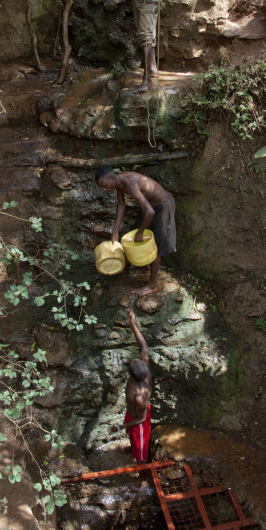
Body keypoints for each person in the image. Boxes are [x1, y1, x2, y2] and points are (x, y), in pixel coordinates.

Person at [95, 165, 176, 297]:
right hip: (151, 207)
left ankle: (152, 285)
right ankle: (145, 266)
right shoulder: (119, 181)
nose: (104, 189)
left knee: (157, 247)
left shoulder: (129, 183)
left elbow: (149, 212)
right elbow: (121, 205)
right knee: (133, 233)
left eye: (104, 185)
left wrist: (140, 232)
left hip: (163, 205)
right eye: (101, 187)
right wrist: (115, 231)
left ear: (111, 178)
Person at [111, 308, 152, 463]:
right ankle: (133, 447)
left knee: (141, 450)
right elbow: (144, 347)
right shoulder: (144, 368)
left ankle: (142, 472)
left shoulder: (140, 396)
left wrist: (120, 427)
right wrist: (132, 323)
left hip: (138, 420)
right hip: (132, 413)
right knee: (134, 440)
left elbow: (141, 420)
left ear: (131, 375)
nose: (135, 359)